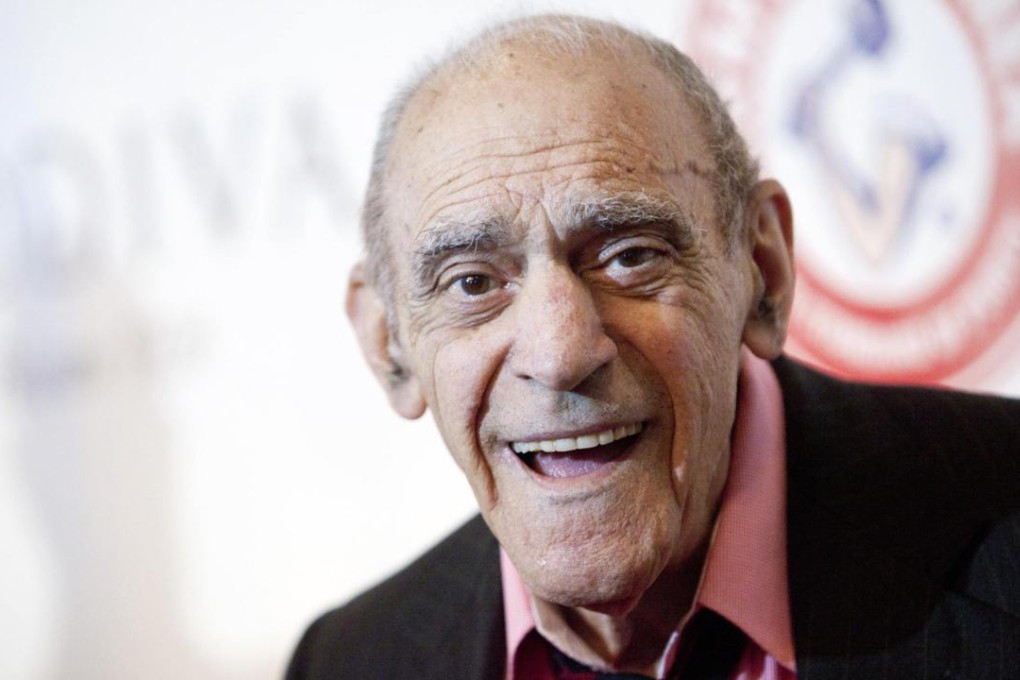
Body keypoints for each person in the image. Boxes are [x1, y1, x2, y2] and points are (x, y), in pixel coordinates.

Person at [287, 14, 1020, 680]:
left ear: (762, 272)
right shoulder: (350, 659)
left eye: (629, 256)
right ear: (389, 345)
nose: (560, 352)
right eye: (473, 281)